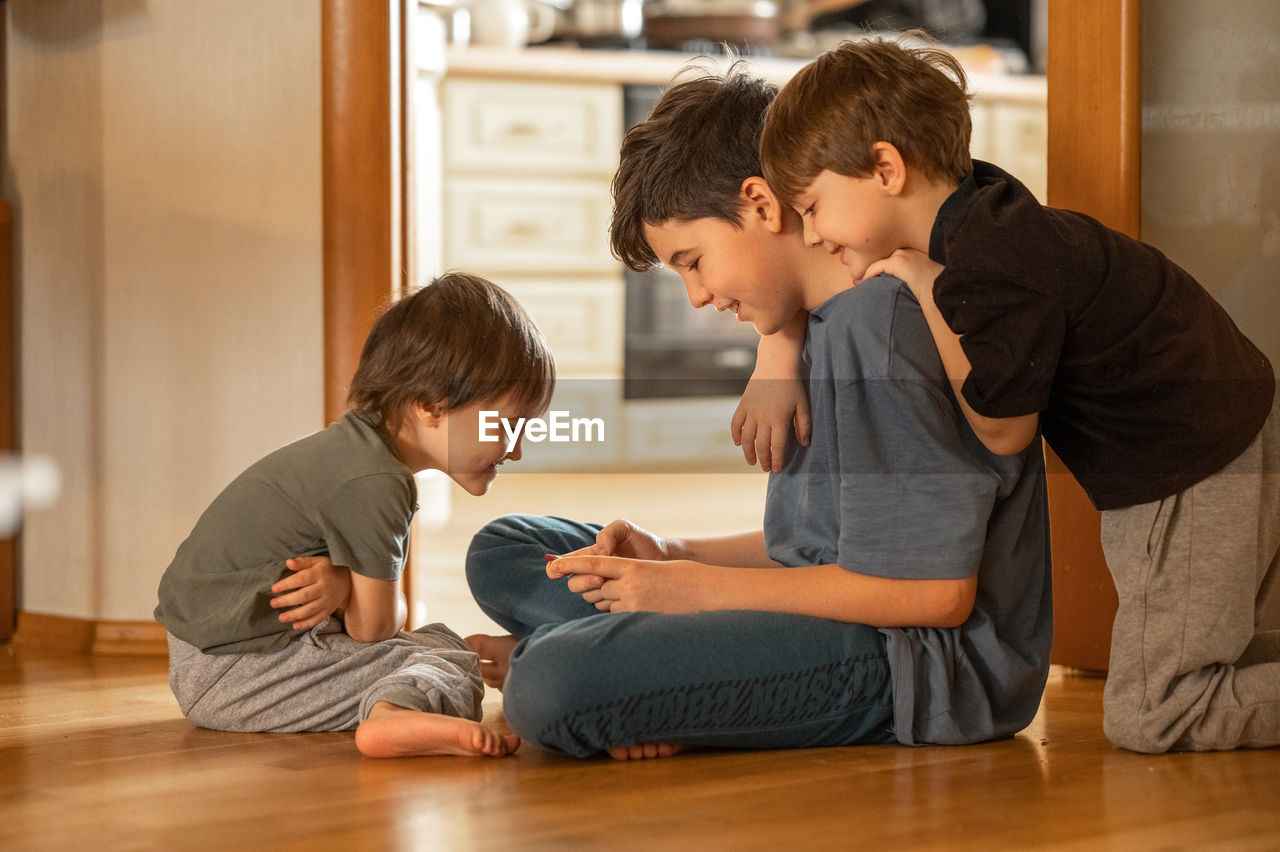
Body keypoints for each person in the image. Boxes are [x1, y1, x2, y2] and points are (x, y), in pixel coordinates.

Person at [464, 65, 1052, 760]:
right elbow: (818, 545)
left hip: (917, 666)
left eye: (695, 260)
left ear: (760, 204)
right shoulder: (809, 324)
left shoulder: (879, 329)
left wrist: (694, 593)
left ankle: (602, 668)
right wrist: (674, 555)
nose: (697, 296)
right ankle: (634, 673)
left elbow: (932, 592)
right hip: (847, 614)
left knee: (546, 684)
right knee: (505, 550)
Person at [757, 36, 1280, 753]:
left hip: (1193, 459)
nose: (812, 234)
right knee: (1202, 649)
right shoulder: (984, 211)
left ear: (885, 168)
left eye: (814, 207)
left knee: (1156, 713)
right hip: (1200, 441)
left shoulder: (985, 264)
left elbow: (1004, 430)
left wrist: (920, 282)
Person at [154, 272, 555, 758]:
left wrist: (350, 593)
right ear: (432, 404)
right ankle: (393, 715)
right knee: (455, 659)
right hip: (237, 675)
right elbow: (375, 627)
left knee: (438, 643)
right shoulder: (377, 483)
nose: (515, 450)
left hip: (217, 660)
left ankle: (394, 709)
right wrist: (347, 588)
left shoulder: (354, 451)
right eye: (507, 425)